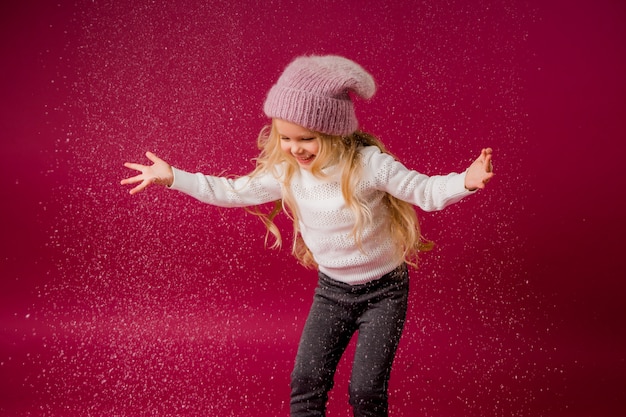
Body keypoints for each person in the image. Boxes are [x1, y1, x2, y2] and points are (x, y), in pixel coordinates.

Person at [121, 55, 494, 417]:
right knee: (306, 380)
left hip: (385, 292)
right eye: (286, 138)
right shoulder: (288, 173)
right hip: (332, 292)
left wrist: (466, 181)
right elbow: (232, 192)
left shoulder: (368, 165)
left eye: (307, 139)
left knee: (366, 390)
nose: (295, 148)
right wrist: (174, 177)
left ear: (333, 131)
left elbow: (424, 192)